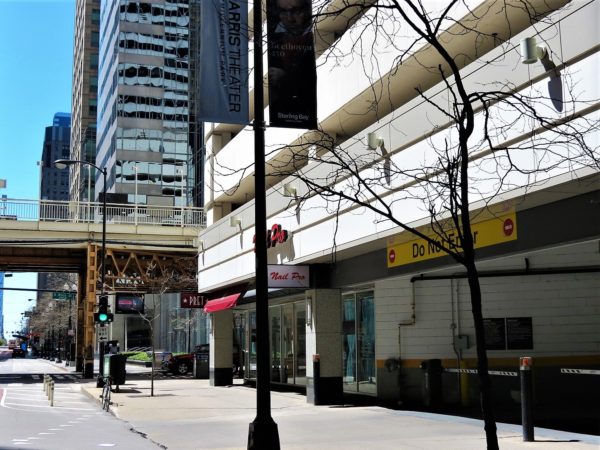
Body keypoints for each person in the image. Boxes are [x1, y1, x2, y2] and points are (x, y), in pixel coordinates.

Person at [267, 0, 317, 128]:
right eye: (283, 11)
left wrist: (287, 78)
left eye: (295, 11)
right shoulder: (274, 36)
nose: (289, 19)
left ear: (306, 10)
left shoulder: (314, 36)